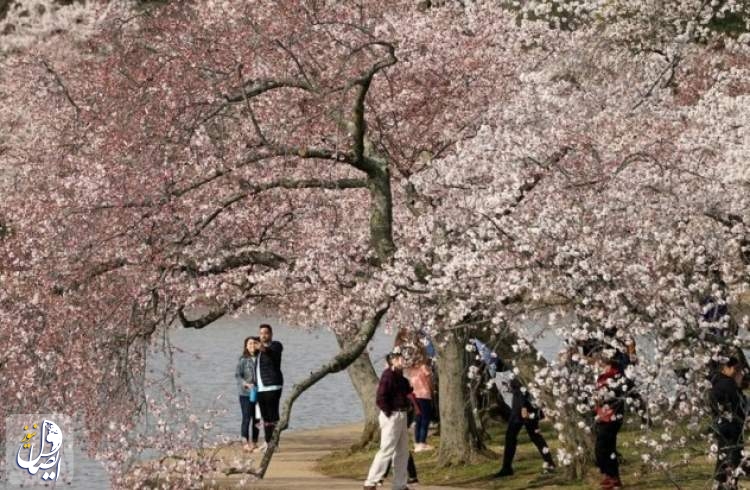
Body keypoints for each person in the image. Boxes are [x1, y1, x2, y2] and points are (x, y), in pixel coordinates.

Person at [364, 350, 414, 490]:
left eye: (403, 359)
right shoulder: (388, 376)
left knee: (403, 451)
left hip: (402, 415)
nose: (403, 361)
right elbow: (381, 398)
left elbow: (406, 390)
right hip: (392, 415)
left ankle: (399, 484)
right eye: (399, 359)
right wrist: (388, 412)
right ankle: (371, 482)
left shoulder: (400, 377)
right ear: (392, 361)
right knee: (386, 449)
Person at [493, 377, 555, 478]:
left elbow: (521, 384)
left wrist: (523, 406)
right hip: (520, 403)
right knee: (528, 436)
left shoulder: (511, 366)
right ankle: (507, 467)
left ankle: (549, 463)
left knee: (528, 435)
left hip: (523, 405)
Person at [710, 356, 747, 488]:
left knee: (724, 458)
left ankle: (721, 484)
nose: (737, 372)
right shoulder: (727, 384)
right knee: (732, 459)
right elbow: (739, 406)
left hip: (722, 426)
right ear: (727, 368)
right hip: (731, 427)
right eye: (736, 369)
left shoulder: (716, 381)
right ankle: (728, 485)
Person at [594, 356, 626, 490]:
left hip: (612, 416)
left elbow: (616, 396)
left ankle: (611, 475)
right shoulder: (602, 377)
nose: (601, 366)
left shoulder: (617, 376)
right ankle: (612, 476)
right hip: (602, 415)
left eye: (603, 364)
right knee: (608, 448)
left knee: (602, 447)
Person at [255, 323, 283, 450]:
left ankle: (275, 442)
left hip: (273, 386)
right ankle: (267, 441)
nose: (263, 336)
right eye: (261, 333)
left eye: (266, 333)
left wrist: (263, 349)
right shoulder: (258, 351)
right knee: (265, 417)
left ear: (271, 334)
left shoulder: (276, 346)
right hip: (260, 387)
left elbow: (271, 353)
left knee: (273, 415)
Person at [235, 336, 260, 451]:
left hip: (260, 392)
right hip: (245, 393)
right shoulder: (243, 359)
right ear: (246, 346)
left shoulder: (261, 358)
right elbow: (237, 375)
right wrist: (245, 383)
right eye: (250, 344)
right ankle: (245, 442)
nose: (252, 345)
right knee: (246, 417)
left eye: (254, 343)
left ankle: (254, 441)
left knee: (257, 418)